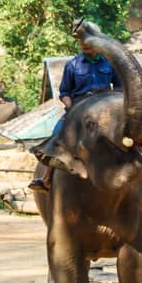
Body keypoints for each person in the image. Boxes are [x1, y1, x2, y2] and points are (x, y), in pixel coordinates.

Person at [28, 23, 121, 192]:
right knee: (58, 131)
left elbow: (120, 88)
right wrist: (71, 108)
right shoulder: (73, 65)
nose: (85, 47)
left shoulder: (109, 64)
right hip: (79, 107)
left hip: (105, 106)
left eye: (88, 44)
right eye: (82, 45)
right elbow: (64, 92)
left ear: (96, 43)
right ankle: (47, 178)